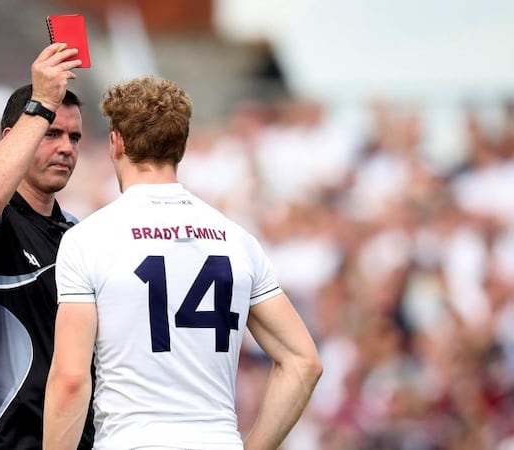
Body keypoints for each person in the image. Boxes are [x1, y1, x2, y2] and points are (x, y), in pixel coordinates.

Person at [43, 76, 323, 450]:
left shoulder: (88, 240)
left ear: (116, 143)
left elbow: (72, 379)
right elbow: (303, 361)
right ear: (182, 146)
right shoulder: (239, 241)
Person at [0, 43, 94, 450]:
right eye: (51, 133)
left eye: (74, 137)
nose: (66, 147)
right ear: (15, 138)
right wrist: (42, 101)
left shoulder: (78, 236)